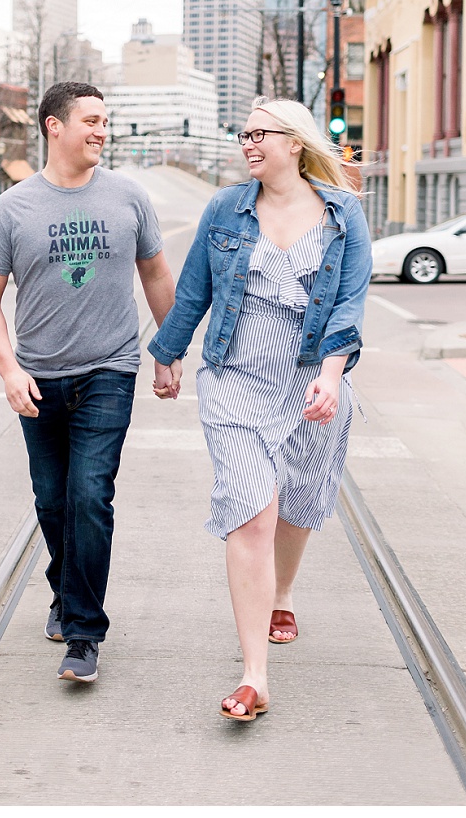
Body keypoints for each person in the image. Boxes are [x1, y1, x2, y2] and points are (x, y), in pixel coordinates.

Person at [148, 97, 369, 722]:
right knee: (251, 514)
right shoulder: (225, 208)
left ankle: (284, 591)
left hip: (310, 386)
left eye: (259, 134)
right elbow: (194, 290)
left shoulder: (342, 216)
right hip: (237, 382)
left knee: (297, 502)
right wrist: (168, 354)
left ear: (294, 142)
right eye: (242, 135)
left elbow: (349, 305)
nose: (247, 144)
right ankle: (253, 676)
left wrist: (330, 375)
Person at [0, 80, 176, 684]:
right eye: (90, 120)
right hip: (38, 378)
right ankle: (65, 589)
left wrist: (167, 350)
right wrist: (9, 370)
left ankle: (84, 634)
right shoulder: (13, 208)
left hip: (110, 369)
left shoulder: (129, 198)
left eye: (105, 121)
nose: (101, 131)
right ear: (53, 127)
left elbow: (157, 274)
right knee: (53, 502)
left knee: (91, 495)